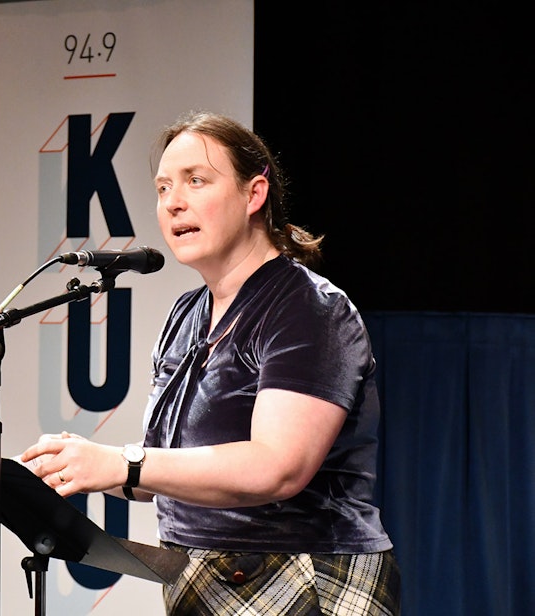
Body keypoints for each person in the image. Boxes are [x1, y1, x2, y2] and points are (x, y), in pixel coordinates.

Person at [20, 110, 401, 615]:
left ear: (254, 194)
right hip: (195, 579)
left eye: (195, 181)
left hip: (305, 576)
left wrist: (121, 462)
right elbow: (161, 465)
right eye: (161, 189)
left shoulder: (308, 308)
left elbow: (277, 467)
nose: (173, 202)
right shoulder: (184, 315)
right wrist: (75, 465)